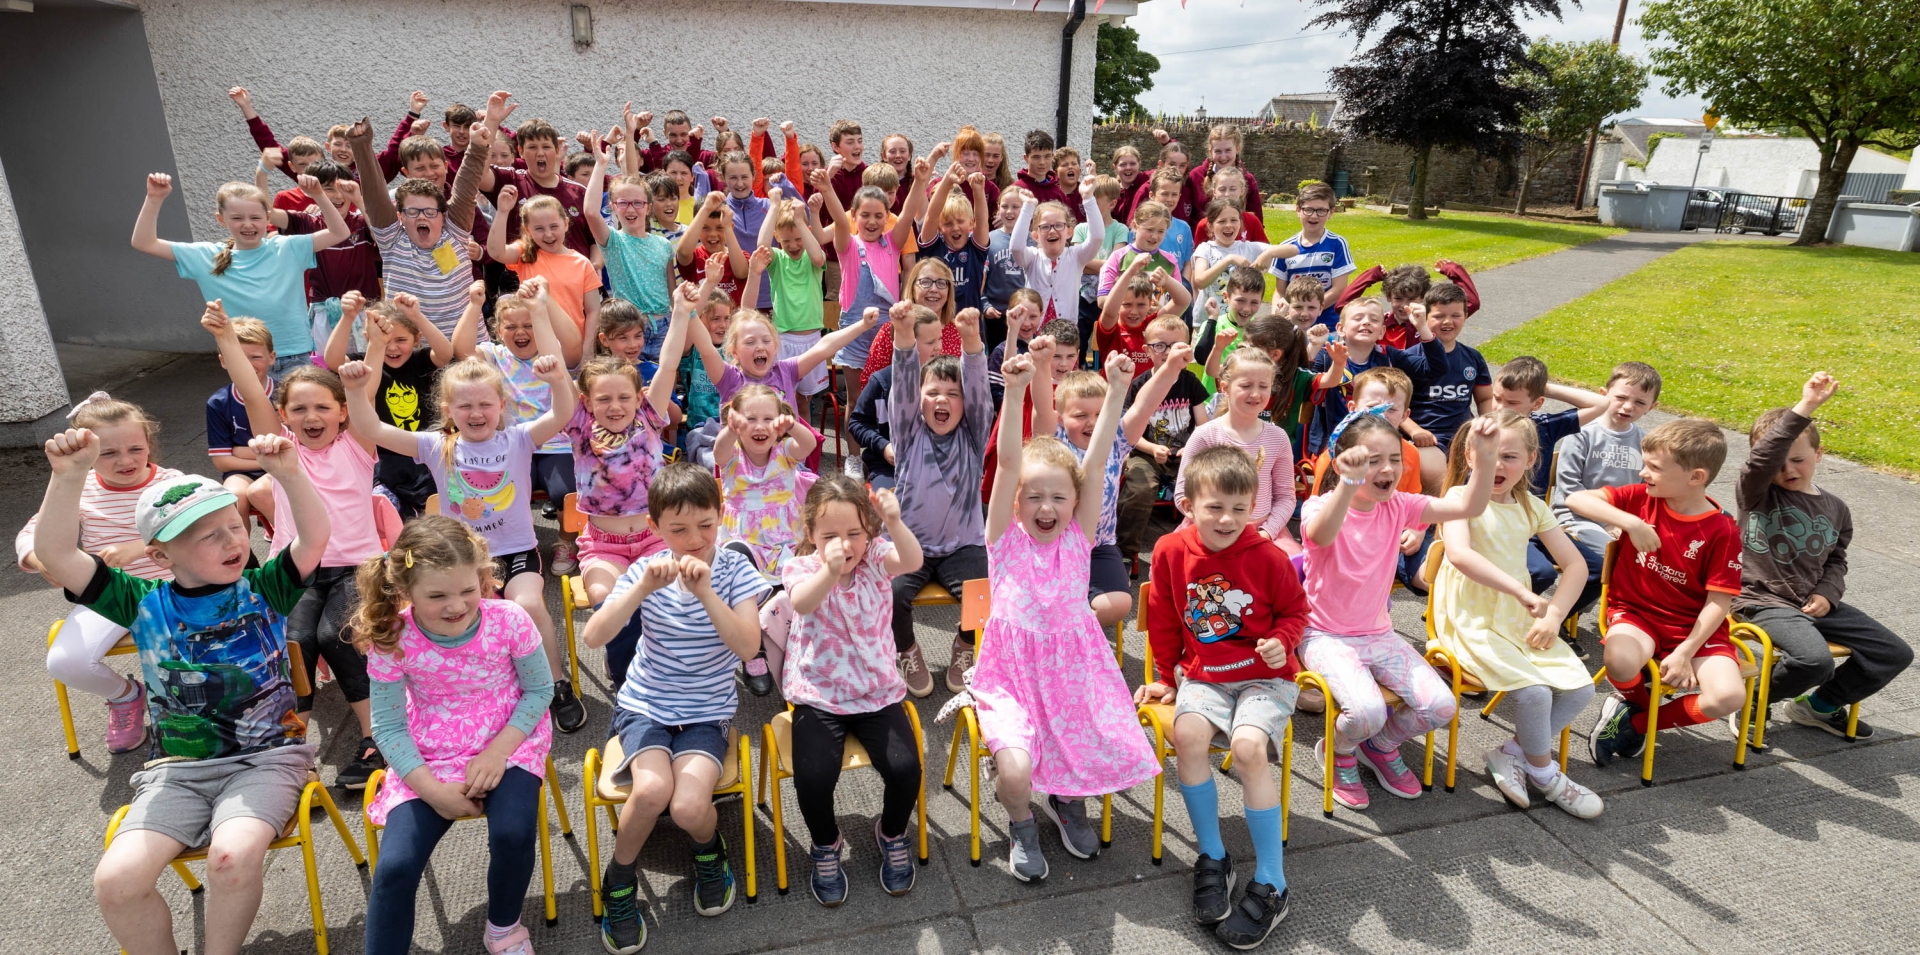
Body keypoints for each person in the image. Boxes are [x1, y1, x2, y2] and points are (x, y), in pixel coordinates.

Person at [38, 429, 326, 955]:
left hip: (267, 760)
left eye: (234, 526)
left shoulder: (266, 588)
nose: (232, 541)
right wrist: (68, 476)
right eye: (208, 536)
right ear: (160, 555)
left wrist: (289, 475)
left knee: (230, 858)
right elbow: (56, 555)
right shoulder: (141, 602)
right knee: (116, 882)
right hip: (176, 771)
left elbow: (314, 538)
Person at [344, 290, 588, 734]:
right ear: (448, 410)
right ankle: (484, 689)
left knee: (527, 604)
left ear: (501, 407)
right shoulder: (435, 445)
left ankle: (555, 683)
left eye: (485, 404)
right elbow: (371, 427)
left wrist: (556, 379)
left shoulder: (519, 439)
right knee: (462, 616)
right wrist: (356, 391)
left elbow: (563, 413)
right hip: (461, 561)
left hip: (516, 550)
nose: (476, 413)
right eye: (465, 405)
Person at [976, 349, 1160, 880]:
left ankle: (1066, 798)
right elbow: (1008, 465)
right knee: (1015, 771)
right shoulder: (1003, 540)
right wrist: (1014, 392)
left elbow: (1096, 462)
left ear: (1076, 503)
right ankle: (1021, 822)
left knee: (1081, 747)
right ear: (1015, 502)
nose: (1046, 507)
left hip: (1071, 672)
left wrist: (1118, 388)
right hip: (1012, 677)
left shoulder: (1079, 539)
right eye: (1033, 497)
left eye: (1059, 497)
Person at [581, 463, 769, 952]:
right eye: (679, 529)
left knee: (687, 807)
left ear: (721, 515)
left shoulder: (735, 571)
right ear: (655, 526)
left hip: (706, 710)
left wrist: (706, 592)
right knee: (651, 792)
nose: (695, 539)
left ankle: (709, 851)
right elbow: (594, 636)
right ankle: (619, 880)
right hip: (645, 704)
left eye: (706, 524)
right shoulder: (645, 571)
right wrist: (641, 589)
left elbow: (749, 647)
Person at [351, 517, 554, 955]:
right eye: (437, 596)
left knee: (513, 832)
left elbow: (540, 690)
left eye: (468, 589)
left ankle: (503, 928)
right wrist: (433, 792)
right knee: (395, 867)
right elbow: (387, 726)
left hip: (510, 738)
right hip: (430, 752)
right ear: (405, 590)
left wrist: (498, 753)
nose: (457, 605)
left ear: (482, 576)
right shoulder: (392, 637)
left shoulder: (509, 619)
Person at [204, 300, 385, 789]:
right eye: (299, 409)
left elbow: (366, 390)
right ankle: (292, 745)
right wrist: (224, 337)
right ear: (283, 415)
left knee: (338, 635)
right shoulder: (281, 448)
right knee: (293, 642)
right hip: (296, 568)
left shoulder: (358, 443)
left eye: (323, 407)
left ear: (342, 413)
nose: (312, 416)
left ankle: (376, 739)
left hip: (356, 567)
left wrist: (373, 342)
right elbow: (249, 388)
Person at [1138, 444, 1307, 948]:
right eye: (1215, 507)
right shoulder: (1170, 550)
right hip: (1204, 676)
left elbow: (1296, 612)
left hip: (1265, 678)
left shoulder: (1270, 556)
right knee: (1187, 736)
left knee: (1249, 749)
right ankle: (1213, 856)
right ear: (1188, 504)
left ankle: (1273, 882)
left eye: (1240, 508)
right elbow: (1163, 617)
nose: (1228, 519)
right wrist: (1166, 677)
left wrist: (1282, 641)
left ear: (1253, 506)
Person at [1300, 413, 1496, 809]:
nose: (1388, 469)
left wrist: (1486, 456)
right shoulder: (1319, 506)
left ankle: (1380, 745)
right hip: (1325, 636)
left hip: (1379, 635)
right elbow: (1321, 534)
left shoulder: (1399, 505)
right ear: (1343, 464)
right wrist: (1347, 485)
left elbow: (1470, 506)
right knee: (1366, 711)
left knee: (1441, 706)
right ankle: (1339, 750)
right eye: (1372, 460)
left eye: (1394, 458)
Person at [760, 476, 926, 905]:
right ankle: (826, 842)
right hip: (820, 693)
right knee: (813, 777)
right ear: (810, 534)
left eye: (854, 533)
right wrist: (830, 569)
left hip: (876, 691)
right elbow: (802, 603)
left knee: (906, 768)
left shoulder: (876, 557)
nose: (844, 545)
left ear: (868, 531)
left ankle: (891, 833)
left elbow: (912, 560)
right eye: (830, 535)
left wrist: (894, 522)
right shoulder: (801, 567)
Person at [1428, 411, 1603, 817]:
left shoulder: (1530, 505)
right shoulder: (1458, 500)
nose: (1499, 465)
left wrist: (1554, 616)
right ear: (1470, 456)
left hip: (1513, 618)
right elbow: (1460, 555)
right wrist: (1521, 591)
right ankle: (1546, 774)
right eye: (1489, 454)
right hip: (1469, 618)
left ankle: (1513, 753)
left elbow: (1576, 566)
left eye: (1509, 456)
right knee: (1534, 692)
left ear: (1530, 460)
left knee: (1580, 688)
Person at [1737, 373, 1910, 739]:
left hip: (1812, 603)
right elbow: (1763, 459)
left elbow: (1836, 559)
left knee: (1893, 653)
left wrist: (1827, 594)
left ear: (1818, 454)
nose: (1788, 470)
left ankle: (1818, 706)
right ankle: (1753, 699)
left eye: (1798, 459)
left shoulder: (1836, 508)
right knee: (1815, 661)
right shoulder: (1757, 493)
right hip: (1762, 601)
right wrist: (1807, 406)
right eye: (1778, 462)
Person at [1571, 418, 1748, 767]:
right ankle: (1639, 703)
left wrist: (1686, 652)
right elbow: (1576, 499)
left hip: (1693, 629)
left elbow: (1719, 602)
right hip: (1636, 614)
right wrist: (1630, 522)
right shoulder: (1643, 499)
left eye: (1654, 467)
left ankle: (1636, 724)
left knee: (1728, 697)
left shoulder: (1722, 530)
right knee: (1620, 660)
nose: (1643, 473)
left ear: (1695, 477)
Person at [16, 394, 180, 754]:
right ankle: (125, 696)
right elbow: (30, 534)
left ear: (149, 442)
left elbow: (201, 524)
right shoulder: (78, 487)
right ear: (87, 454)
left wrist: (140, 546)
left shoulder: (171, 482)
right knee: (65, 662)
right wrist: (43, 561)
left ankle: (185, 704)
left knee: (198, 648)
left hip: (173, 589)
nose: (126, 460)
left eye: (135, 449)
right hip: (107, 595)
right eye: (108, 453)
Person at [1031, 332, 1194, 627]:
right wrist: (1042, 365)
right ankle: (1062, 622)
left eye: (1099, 413)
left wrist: (1171, 367)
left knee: (1119, 604)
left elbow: (1144, 406)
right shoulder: (1053, 438)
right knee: (1041, 601)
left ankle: (1071, 626)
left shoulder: (1115, 439)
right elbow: (1042, 406)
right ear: (1061, 418)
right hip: (1051, 544)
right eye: (1080, 415)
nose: (1092, 422)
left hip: (1099, 546)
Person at [131, 173, 349, 378]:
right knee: (255, 409)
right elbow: (144, 242)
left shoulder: (288, 247)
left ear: (267, 217)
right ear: (221, 219)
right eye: (237, 218)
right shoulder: (206, 256)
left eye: (255, 217)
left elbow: (340, 232)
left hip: (296, 356)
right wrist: (154, 198)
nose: (247, 224)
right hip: (245, 361)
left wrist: (318, 195)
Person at [887, 304, 993, 697]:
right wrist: (904, 336)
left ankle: (964, 646)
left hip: (962, 545)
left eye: (952, 394)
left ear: (965, 404)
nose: (941, 400)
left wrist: (971, 341)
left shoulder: (973, 434)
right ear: (919, 401)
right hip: (909, 543)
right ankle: (907, 651)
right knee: (891, 594)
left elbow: (980, 393)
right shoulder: (907, 432)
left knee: (984, 593)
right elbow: (902, 385)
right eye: (932, 393)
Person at [453, 281, 585, 573]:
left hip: (554, 443)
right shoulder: (494, 356)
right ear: (499, 331)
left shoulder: (550, 351)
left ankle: (565, 542)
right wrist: (474, 305)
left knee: (565, 491)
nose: (520, 332)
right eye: (511, 327)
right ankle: (510, 545)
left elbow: (573, 345)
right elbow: (461, 350)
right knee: (500, 493)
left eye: (528, 325)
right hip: (510, 445)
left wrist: (543, 305)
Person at [568, 309, 687, 609]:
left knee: (672, 597)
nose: (615, 406)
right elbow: (559, 371)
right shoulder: (580, 425)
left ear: (638, 398)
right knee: (604, 598)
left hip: (657, 537)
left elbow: (669, 364)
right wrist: (538, 310)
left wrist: (682, 311)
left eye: (624, 397)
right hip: (603, 546)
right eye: (604, 399)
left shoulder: (649, 415)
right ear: (587, 402)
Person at [1488, 356, 1608, 640]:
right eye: (1497, 398)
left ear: (1538, 403)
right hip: (1499, 520)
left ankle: (1547, 624)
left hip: (1538, 523)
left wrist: (1543, 387)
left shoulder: (1545, 426)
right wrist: (1522, 391)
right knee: (1541, 572)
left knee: (1596, 570)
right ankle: (1500, 621)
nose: (1501, 408)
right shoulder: (1485, 429)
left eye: (1512, 402)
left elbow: (1601, 404)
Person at [344, 115, 491, 339]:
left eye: (430, 212)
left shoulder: (456, 231)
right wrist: (362, 145)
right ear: (400, 216)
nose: (422, 217)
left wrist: (477, 147)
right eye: (412, 212)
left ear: (443, 214)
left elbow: (465, 188)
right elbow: (375, 196)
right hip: (409, 348)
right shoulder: (392, 239)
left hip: (467, 345)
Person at [323, 293, 454, 518]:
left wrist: (417, 316)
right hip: (385, 456)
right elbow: (333, 360)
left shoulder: (420, 361)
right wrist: (348, 317)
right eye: (385, 340)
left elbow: (445, 353)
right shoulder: (366, 361)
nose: (392, 347)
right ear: (368, 338)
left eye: (401, 340)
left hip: (425, 453)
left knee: (436, 506)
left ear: (417, 339)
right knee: (391, 508)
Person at [1175, 350, 1302, 556]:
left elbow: (1286, 497)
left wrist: (1266, 532)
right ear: (1225, 388)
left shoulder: (1278, 438)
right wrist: (1214, 525)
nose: (1255, 394)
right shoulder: (1206, 435)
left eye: (1263, 386)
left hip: (1261, 531)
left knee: (1288, 566)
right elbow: (1182, 492)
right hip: (1209, 528)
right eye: (1246, 386)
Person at [1115, 316, 1212, 566]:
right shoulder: (1140, 384)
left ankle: (1207, 544)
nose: (1168, 352)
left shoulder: (1191, 383)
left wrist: (1190, 448)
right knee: (1138, 489)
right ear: (1147, 350)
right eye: (1160, 346)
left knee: (1210, 485)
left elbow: (1202, 425)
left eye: (1176, 346)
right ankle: (1125, 550)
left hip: (1185, 453)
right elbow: (1128, 432)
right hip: (1147, 452)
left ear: (1187, 348)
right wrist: (1150, 448)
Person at [1550, 361, 1662, 575]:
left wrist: (1629, 523)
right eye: (1621, 398)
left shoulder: (1646, 443)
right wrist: (1609, 522)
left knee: (1659, 558)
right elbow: (1570, 489)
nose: (1628, 407)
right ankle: (1585, 596)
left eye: (1640, 402)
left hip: (1623, 522)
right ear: (1603, 395)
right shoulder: (1581, 434)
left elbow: (1645, 490)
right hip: (1577, 518)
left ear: (1651, 407)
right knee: (1616, 557)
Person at [585, 135, 676, 365]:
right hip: (629, 330)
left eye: (637, 202)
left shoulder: (664, 245)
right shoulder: (613, 241)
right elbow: (591, 212)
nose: (631, 209)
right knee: (629, 381)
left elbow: (671, 292)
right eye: (623, 203)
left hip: (665, 327)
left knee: (663, 381)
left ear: (648, 207)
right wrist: (601, 164)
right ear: (613, 207)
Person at [1395, 283, 1492, 494]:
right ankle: (1437, 515)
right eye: (1439, 316)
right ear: (1425, 318)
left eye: (1455, 315)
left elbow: (1485, 399)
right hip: (1426, 437)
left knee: (1493, 466)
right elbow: (1393, 406)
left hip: (1464, 435)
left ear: (1466, 316)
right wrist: (1415, 430)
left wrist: (1487, 424)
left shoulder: (1473, 358)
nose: (1448, 322)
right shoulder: (1409, 358)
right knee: (1434, 474)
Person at [489, 189, 602, 366]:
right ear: (527, 230)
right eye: (539, 229)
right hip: (535, 350)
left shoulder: (582, 263)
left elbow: (593, 310)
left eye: (554, 226)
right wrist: (503, 212)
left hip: (571, 351)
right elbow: (496, 252)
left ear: (566, 224)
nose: (548, 234)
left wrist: (588, 350)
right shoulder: (525, 253)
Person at [850, 304, 952, 488]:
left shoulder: (947, 381)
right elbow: (857, 423)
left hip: (937, 464)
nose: (938, 347)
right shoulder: (882, 381)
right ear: (906, 342)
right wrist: (883, 446)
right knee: (891, 499)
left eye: (940, 339)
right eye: (930, 342)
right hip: (889, 467)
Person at [753, 191, 831, 400]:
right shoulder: (778, 259)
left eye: (798, 239)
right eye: (786, 241)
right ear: (777, 237)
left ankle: (804, 426)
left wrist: (799, 219)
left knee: (804, 401)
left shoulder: (813, 257)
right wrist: (774, 205)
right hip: (784, 338)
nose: (793, 245)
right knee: (784, 398)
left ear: (807, 232)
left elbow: (817, 257)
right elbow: (762, 246)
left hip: (812, 339)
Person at [205, 316, 277, 526]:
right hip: (242, 472)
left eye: (255, 357)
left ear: (271, 357)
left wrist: (241, 451)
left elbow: (297, 449)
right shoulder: (218, 403)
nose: (246, 365)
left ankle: (290, 541)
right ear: (223, 361)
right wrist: (262, 459)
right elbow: (222, 461)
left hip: (284, 468)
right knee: (233, 498)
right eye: (237, 358)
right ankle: (241, 548)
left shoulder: (287, 393)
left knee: (265, 492)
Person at [1008, 181, 1106, 332]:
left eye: (1059, 225)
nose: (1052, 231)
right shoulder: (1032, 257)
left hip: (1066, 333)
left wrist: (1088, 197)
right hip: (1035, 331)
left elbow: (1097, 237)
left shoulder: (1076, 256)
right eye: (1045, 227)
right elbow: (1016, 247)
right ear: (1035, 236)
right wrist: (1027, 207)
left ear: (1069, 232)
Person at [1186, 199, 1294, 326]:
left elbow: (1293, 250)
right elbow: (1200, 281)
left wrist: (1269, 253)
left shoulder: (1249, 248)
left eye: (1234, 220)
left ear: (1240, 223)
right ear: (1210, 226)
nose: (1228, 225)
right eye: (1221, 221)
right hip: (1208, 321)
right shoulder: (1205, 249)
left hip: (1241, 322)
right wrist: (1228, 259)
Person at [1264, 181, 1353, 329]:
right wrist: (1277, 319)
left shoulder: (1337, 244)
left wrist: (1309, 311)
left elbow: (1339, 289)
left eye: (1321, 210)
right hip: (1293, 326)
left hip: (1327, 326)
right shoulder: (1285, 247)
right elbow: (1280, 291)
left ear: (1331, 212)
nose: (1314, 216)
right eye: (1308, 210)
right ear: (1298, 210)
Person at [918, 165, 994, 317]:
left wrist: (979, 191)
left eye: (960, 221)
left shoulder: (975, 249)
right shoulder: (933, 247)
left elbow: (983, 223)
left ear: (971, 224)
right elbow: (931, 216)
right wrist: (947, 180)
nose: (955, 228)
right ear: (939, 227)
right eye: (948, 223)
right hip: (936, 325)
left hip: (969, 325)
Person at [1185, 124, 1262, 229]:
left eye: (1228, 150)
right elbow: (1185, 214)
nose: (1223, 156)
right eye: (1218, 151)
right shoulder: (1196, 176)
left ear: (1238, 149)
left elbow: (1257, 223)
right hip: (1201, 237)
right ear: (1211, 151)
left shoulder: (1248, 180)